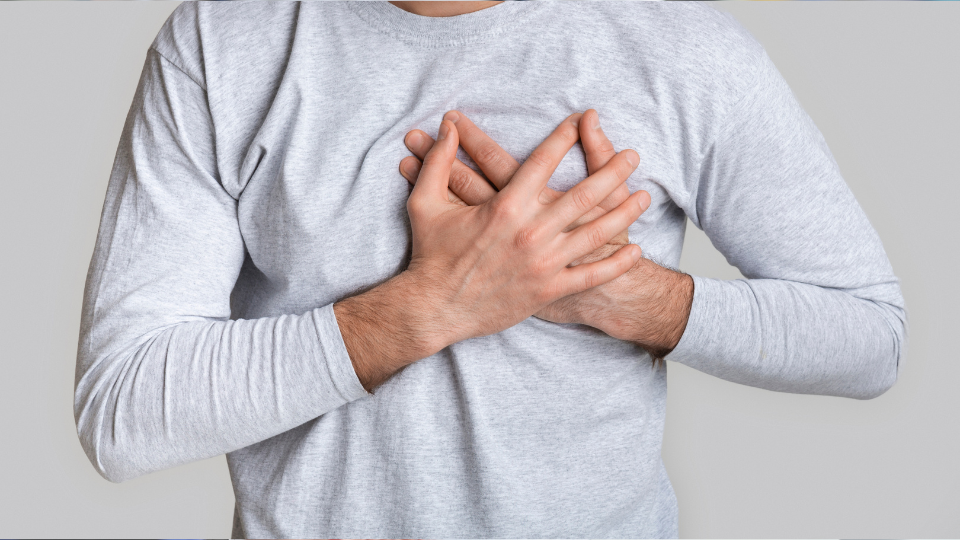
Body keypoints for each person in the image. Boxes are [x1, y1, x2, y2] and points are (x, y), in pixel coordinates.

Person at [74, 1, 906, 538]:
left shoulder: (680, 44)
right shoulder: (223, 42)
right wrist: (432, 305)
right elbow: (124, 409)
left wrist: (632, 299)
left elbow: (870, 337)